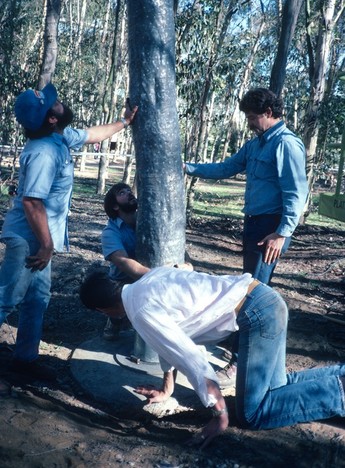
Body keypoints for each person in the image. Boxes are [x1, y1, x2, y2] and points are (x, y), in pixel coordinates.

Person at [80, 267, 345, 448]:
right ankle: (339, 375)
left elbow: (192, 358)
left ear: (103, 310)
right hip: (263, 298)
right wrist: (167, 387)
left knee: (254, 414)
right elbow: (172, 342)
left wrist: (219, 414)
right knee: (276, 388)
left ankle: (338, 393)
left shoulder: (139, 312)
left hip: (256, 314)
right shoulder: (145, 283)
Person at [0, 83, 137, 381]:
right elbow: (32, 202)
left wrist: (124, 121)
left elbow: (93, 135)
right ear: (51, 118)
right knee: (6, 297)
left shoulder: (58, 138)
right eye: (55, 103)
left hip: (40, 238)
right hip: (28, 240)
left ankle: (24, 360)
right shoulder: (43, 153)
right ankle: (24, 358)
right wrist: (47, 246)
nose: (60, 101)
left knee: (37, 299)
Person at [185, 87, 309, 385]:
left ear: (268, 113)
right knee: (245, 289)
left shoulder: (286, 145)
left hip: (271, 229)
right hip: (254, 225)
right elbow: (227, 167)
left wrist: (280, 234)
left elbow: (296, 194)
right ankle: (244, 352)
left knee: (252, 295)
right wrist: (188, 168)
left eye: (252, 117)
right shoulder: (256, 145)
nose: (249, 122)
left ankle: (242, 365)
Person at [101, 182, 149, 340]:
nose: (130, 193)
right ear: (115, 206)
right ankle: (115, 319)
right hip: (123, 280)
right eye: (122, 193)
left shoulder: (147, 220)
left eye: (129, 190)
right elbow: (123, 262)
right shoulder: (110, 233)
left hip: (147, 273)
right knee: (117, 299)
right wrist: (157, 276)